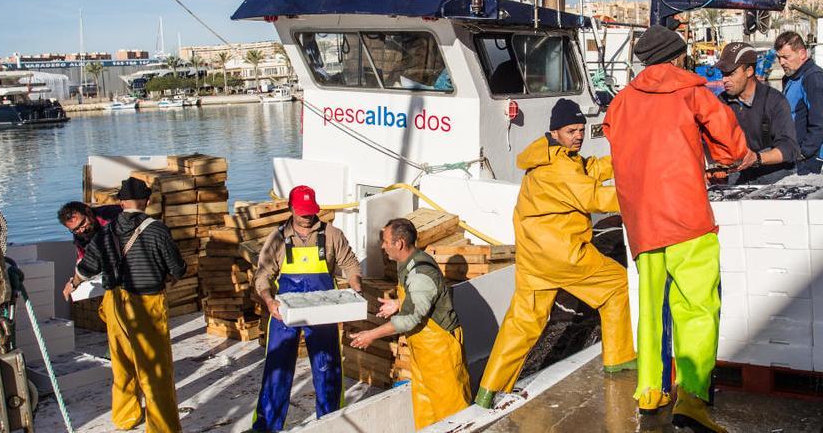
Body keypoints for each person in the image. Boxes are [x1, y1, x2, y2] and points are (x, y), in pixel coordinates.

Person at [603, 25, 751, 432]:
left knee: (650, 309)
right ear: (678, 56)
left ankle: (650, 392)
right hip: (686, 216)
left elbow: (618, 146)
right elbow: (732, 147)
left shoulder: (619, 103)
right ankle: (692, 399)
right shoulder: (693, 91)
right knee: (698, 308)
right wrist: (722, 159)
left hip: (642, 222)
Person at [474, 98, 637, 409]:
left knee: (522, 323)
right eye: (571, 130)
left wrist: (620, 159)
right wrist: (643, 191)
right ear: (555, 131)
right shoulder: (561, 166)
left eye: (581, 129)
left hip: (533, 258)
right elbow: (594, 197)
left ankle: (488, 391)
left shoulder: (546, 157)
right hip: (562, 254)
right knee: (616, 285)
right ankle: (620, 360)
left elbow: (587, 169)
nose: (578, 135)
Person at [78, 177, 186, 432]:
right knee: (155, 369)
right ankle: (161, 427)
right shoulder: (157, 229)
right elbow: (178, 269)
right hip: (146, 302)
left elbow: (88, 267)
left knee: (122, 363)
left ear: (120, 202)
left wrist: (72, 283)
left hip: (114, 302)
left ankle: (125, 417)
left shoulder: (106, 231)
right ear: (147, 201)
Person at [252, 185, 362, 432]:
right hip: (284, 311)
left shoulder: (332, 235)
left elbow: (351, 263)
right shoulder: (277, 238)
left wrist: (355, 284)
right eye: (301, 212)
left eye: (310, 211)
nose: (306, 217)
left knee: (327, 366)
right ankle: (267, 426)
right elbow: (262, 275)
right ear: (291, 209)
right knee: (277, 368)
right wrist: (269, 300)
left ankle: (331, 421)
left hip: (323, 311)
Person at [349, 218, 470, 429]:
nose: (383, 245)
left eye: (386, 241)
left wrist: (371, 335)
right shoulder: (408, 263)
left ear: (400, 243)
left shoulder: (421, 273)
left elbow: (410, 319)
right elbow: (420, 298)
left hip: (440, 352)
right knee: (425, 409)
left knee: (453, 411)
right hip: (424, 352)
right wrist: (399, 303)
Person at [716, 41, 800, 184]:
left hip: (775, 178)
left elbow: (790, 149)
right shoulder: (721, 102)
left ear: (749, 71)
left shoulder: (774, 101)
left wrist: (756, 158)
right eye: (723, 74)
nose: (725, 80)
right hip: (739, 178)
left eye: (731, 73)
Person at [776, 31, 823, 174]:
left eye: (786, 57)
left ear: (802, 54)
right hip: (791, 155)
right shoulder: (790, 77)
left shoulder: (812, 77)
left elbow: (820, 122)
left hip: (808, 160)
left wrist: (804, 153)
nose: (781, 62)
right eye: (779, 58)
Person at [58, 201, 121, 301]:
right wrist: (74, 281)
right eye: (75, 229)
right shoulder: (80, 234)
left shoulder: (112, 216)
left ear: (88, 212)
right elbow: (83, 258)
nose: (81, 230)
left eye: (82, 223)